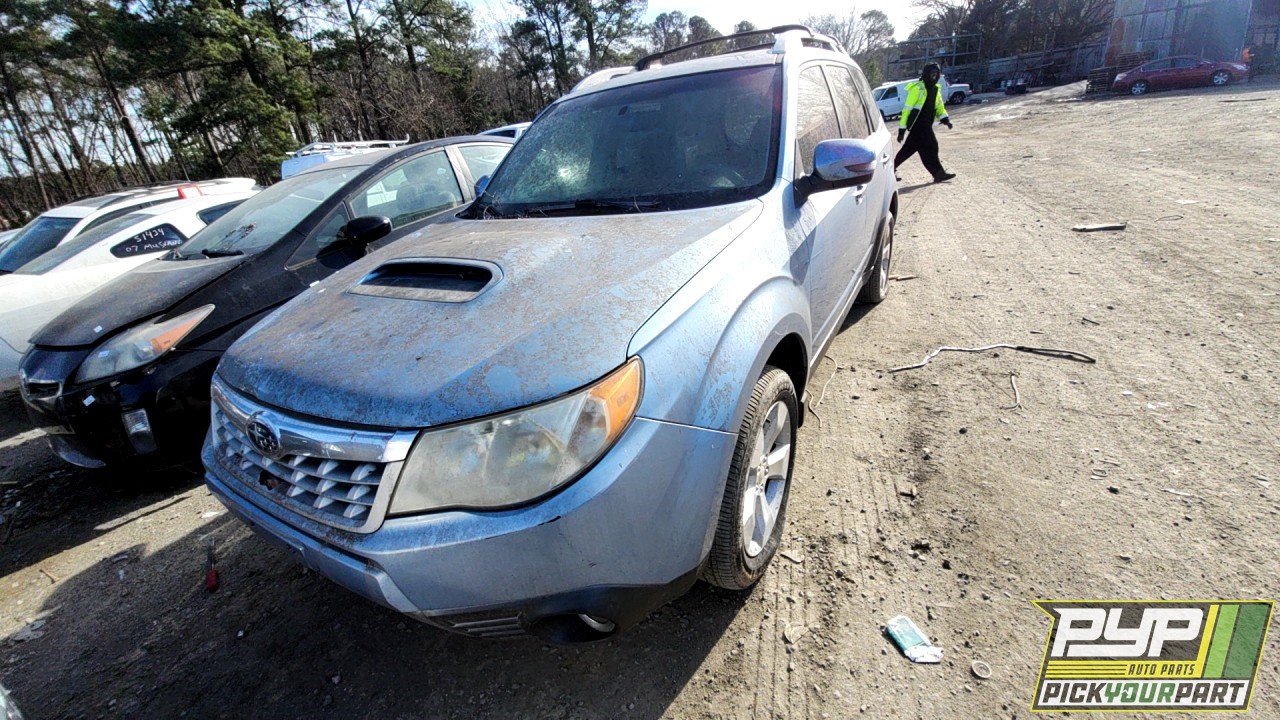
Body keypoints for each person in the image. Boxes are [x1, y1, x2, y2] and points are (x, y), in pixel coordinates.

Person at [894, 63, 956, 183]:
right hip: (918, 125)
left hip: (926, 124)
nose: (934, 75)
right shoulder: (917, 88)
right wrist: (901, 130)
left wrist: (945, 120)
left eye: (937, 73)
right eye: (932, 72)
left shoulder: (935, 89)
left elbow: (939, 107)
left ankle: (891, 168)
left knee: (912, 150)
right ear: (926, 73)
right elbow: (907, 109)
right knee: (932, 146)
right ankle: (939, 173)